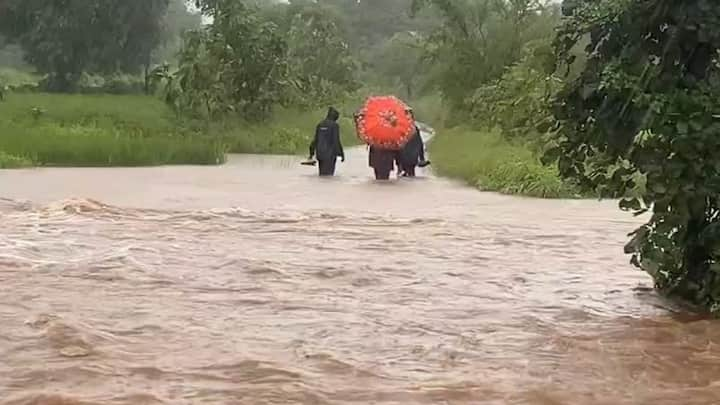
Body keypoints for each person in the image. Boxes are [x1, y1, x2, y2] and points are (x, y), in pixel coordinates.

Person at [309, 107, 345, 176]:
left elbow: (315, 140)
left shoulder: (320, 124)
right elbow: (336, 141)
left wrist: (311, 153)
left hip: (320, 154)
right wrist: (341, 153)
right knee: (329, 176)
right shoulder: (334, 126)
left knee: (322, 175)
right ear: (334, 116)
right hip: (330, 156)